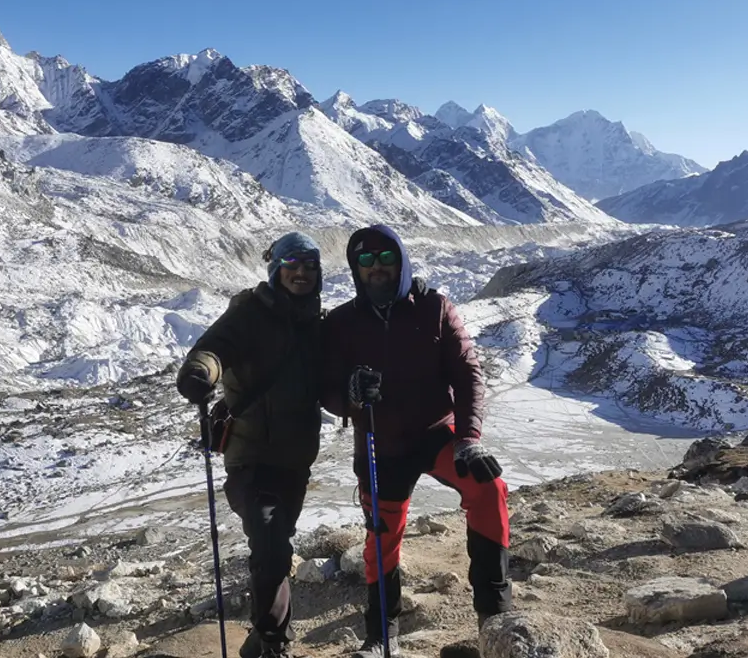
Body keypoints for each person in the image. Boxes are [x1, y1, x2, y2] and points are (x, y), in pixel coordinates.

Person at [321, 224, 511, 657]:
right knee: (382, 536)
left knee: (489, 490)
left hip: (435, 434)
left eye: (386, 258)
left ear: (402, 261)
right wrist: (349, 395)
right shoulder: (342, 322)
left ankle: (496, 618)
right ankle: (381, 636)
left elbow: (467, 373)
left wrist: (468, 438)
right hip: (379, 443)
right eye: (365, 260)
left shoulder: (435, 308)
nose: (376, 268)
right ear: (355, 268)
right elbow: (327, 388)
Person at [175, 231, 325, 658]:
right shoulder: (249, 312)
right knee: (271, 538)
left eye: (309, 266)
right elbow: (214, 349)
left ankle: (261, 640)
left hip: (295, 461)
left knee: (275, 546)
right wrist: (201, 373)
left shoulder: (317, 323)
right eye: (292, 264)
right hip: (251, 457)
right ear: (276, 269)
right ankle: (274, 642)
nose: (301, 273)